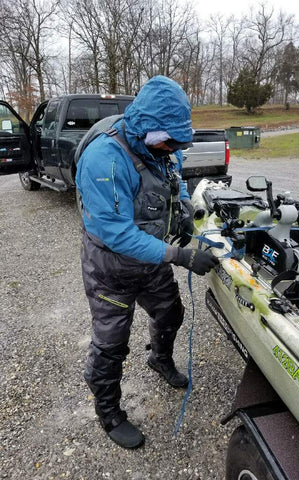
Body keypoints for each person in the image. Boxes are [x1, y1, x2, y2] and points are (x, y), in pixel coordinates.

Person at [75, 76, 219, 449]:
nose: (174, 147)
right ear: (147, 127)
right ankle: (109, 413)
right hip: (111, 269)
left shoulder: (164, 144)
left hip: (151, 260)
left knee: (170, 313)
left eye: (177, 141)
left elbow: (176, 179)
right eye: (169, 141)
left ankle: (160, 359)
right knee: (111, 344)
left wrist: (185, 209)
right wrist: (180, 256)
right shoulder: (104, 160)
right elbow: (117, 234)